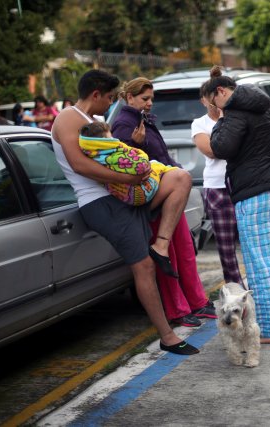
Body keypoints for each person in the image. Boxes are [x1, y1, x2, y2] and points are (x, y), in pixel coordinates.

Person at [51, 69, 199, 355]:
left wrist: (136, 168)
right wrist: (129, 179)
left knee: (180, 178)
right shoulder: (69, 118)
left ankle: (162, 245)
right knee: (142, 266)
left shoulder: (93, 121)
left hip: (124, 195)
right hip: (100, 202)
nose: (111, 103)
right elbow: (79, 165)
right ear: (95, 94)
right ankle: (167, 336)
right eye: (108, 97)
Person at [205, 65, 270, 344]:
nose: (214, 108)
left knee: (259, 262)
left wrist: (220, 120)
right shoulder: (268, 106)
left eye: (213, 102)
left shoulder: (235, 113)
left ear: (221, 92)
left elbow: (221, 148)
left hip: (254, 193)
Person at [111, 77, 216, 327]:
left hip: (170, 194)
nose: (149, 104)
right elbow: (123, 164)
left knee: (185, 251)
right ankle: (178, 310)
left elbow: (162, 156)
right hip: (154, 198)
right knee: (168, 256)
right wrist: (134, 145)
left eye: (151, 100)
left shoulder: (141, 120)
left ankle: (197, 302)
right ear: (130, 98)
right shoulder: (124, 124)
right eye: (145, 99)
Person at [192, 84, 244, 285]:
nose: (213, 103)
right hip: (216, 187)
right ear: (203, 101)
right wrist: (222, 121)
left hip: (241, 184)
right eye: (208, 100)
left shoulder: (237, 119)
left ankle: (258, 288)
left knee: (250, 242)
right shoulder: (199, 123)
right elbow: (212, 150)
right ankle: (235, 290)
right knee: (225, 247)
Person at [78, 121, 179, 206]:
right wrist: (142, 156)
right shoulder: (112, 157)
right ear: (104, 142)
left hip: (125, 194)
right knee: (160, 167)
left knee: (157, 165)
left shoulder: (92, 156)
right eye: (111, 138)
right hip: (140, 192)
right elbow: (142, 166)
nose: (115, 140)